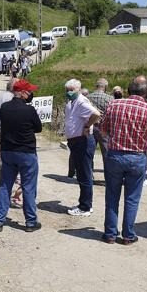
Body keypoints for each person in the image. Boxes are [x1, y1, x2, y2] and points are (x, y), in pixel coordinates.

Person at [101, 79, 147, 245]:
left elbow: (104, 130)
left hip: (115, 155)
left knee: (112, 196)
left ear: (129, 90)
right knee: (132, 198)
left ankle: (110, 234)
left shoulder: (113, 105)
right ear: (145, 92)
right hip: (137, 157)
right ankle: (128, 235)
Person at [0, 79, 43, 232]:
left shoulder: (5, 108)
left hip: (8, 151)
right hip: (26, 152)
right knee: (28, 187)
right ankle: (30, 222)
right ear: (22, 92)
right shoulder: (29, 110)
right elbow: (38, 128)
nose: (31, 94)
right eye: (29, 91)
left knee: (5, 186)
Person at [64, 79, 101, 217]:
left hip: (82, 141)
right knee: (81, 173)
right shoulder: (72, 102)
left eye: (71, 90)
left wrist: (86, 126)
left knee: (84, 173)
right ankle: (84, 203)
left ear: (78, 90)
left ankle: (85, 206)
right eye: (67, 90)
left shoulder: (81, 101)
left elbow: (96, 114)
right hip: (75, 141)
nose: (69, 92)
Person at [0, 78, 18, 198]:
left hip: (0, 132)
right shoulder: (8, 98)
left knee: (3, 164)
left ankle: (1, 192)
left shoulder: (6, 96)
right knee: (2, 165)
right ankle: (1, 193)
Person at [87, 78, 114, 166]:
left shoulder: (88, 97)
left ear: (96, 86)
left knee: (89, 152)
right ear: (105, 87)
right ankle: (108, 175)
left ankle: (89, 174)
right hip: (104, 128)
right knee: (106, 153)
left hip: (90, 126)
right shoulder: (110, 98)